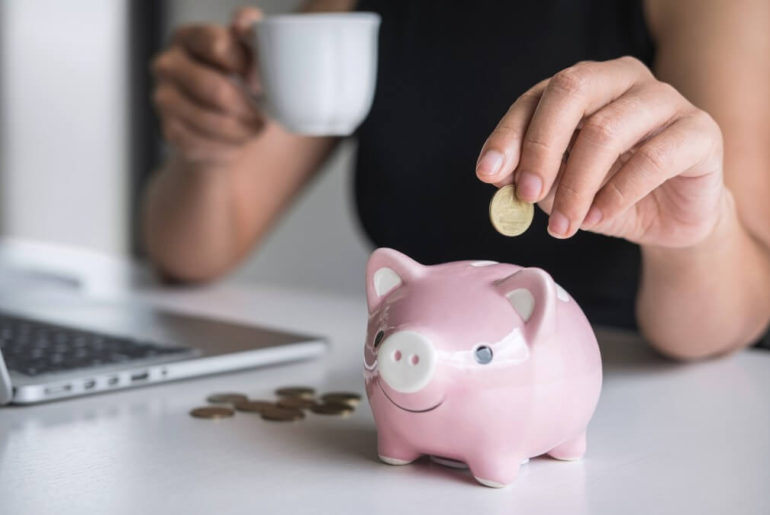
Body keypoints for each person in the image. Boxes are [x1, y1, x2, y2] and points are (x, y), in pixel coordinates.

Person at [143, 0, 770, 360]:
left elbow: (730, 319)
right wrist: (209, 142)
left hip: (634, 403)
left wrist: (696, 231)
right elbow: (192, 252)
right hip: (427, 383)